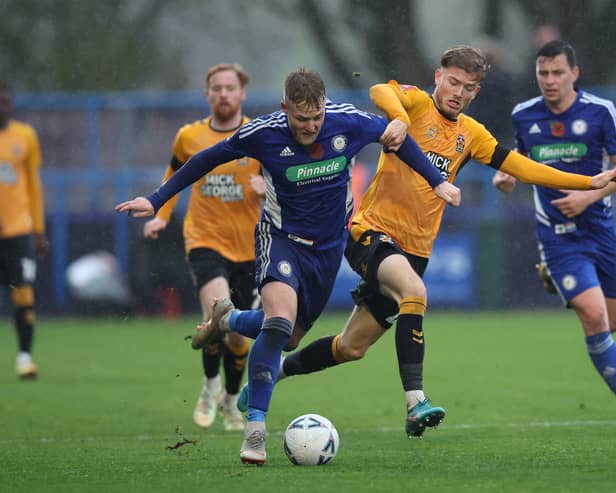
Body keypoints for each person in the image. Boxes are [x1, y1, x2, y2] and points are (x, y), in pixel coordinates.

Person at [214, 46, 616, 440]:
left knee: (350, 347)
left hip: (416, 252)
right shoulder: (417, 105)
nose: (458, 92)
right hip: (370, 233)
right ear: (439, 77)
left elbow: (521, 166)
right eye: (453, 81)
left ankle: (275, 369)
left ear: (476, 92)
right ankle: (415, 401)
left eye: (469, 87)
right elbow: (378, 90)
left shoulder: (471, 135)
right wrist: (399, 118)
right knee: (414, 292)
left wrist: (586, 182)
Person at [116, 67, 462, 465]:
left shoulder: (348, 122)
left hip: (328, 250)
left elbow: (396, 139)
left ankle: (228, 320)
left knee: (292, 336)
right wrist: (156, 200)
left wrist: (437, 181)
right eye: (301, 119)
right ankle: (256, 429)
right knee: (279, 325)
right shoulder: (263, 133)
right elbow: (205, 159)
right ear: (285, 109)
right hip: (281, 240)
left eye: (316, 118)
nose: (311, 127)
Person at [143, 64, 264, 431]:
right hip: (205, 238)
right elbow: (174, 176)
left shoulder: (260, 135)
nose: (224, 93)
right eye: (216, 88)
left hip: (251, 246)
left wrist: (267, 186)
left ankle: (229, 399)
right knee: (216, 318)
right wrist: (161, 215)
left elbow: (283, 180)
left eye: (230, 87)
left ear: (243, 93)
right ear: (207, 94)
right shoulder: (189, 136)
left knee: (241, 337)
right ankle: (210, 386)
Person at [493, 40, 616, 395]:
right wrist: (507, 176)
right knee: (593, 317)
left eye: (557, 72)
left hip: (601, 230)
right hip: (559, 236)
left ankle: (557, 278)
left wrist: (588, 197)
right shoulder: (524, 115)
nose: (549, 80)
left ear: (574, 74)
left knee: (609, 322)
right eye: (542, 73)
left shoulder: (600, 112)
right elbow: (518, 157)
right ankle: (560, 270)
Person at [0, 83, 49, 379]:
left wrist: (39, 230)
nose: (3, 107)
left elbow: (33, 185)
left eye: (6, 102)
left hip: (19, 231)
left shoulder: (25, 136)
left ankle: (24, 357)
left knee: (24, 294)